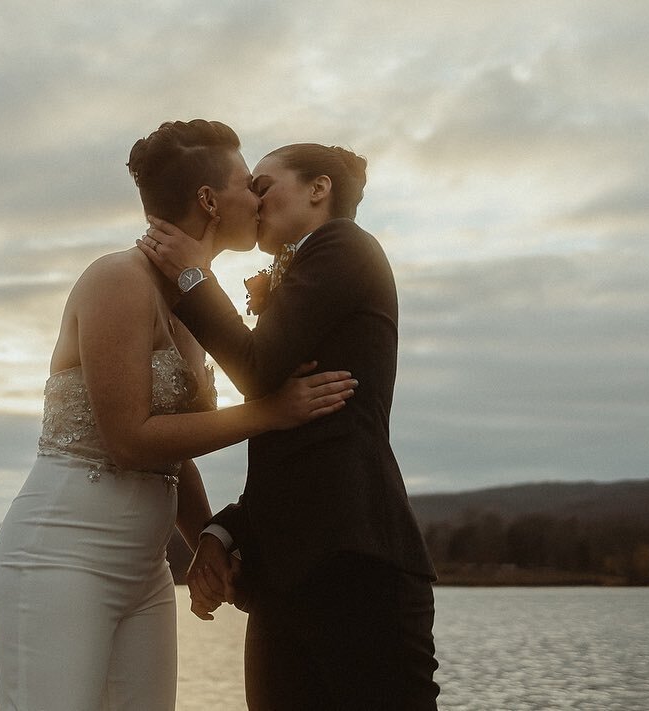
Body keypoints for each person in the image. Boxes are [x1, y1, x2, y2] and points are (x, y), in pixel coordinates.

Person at [0, 121, 357, 711]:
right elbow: (131, 440)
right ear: (209, 200)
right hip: (60, 559)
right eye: (247, 184)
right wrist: (271, 412)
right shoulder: (117, 279)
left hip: (145, 572)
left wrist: (206, 541)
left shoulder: (187, 304)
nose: (259, 198)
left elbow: (171, 452)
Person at [138, 142, 441, 709]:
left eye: (263, 184)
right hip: (284, 583)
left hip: (357, 567)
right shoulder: (303, 275)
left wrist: (191, 278)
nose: (253, 199)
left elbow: (257, 371)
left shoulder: (344, 245)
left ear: (318, 189)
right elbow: (290, 444)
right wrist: (222, 531)